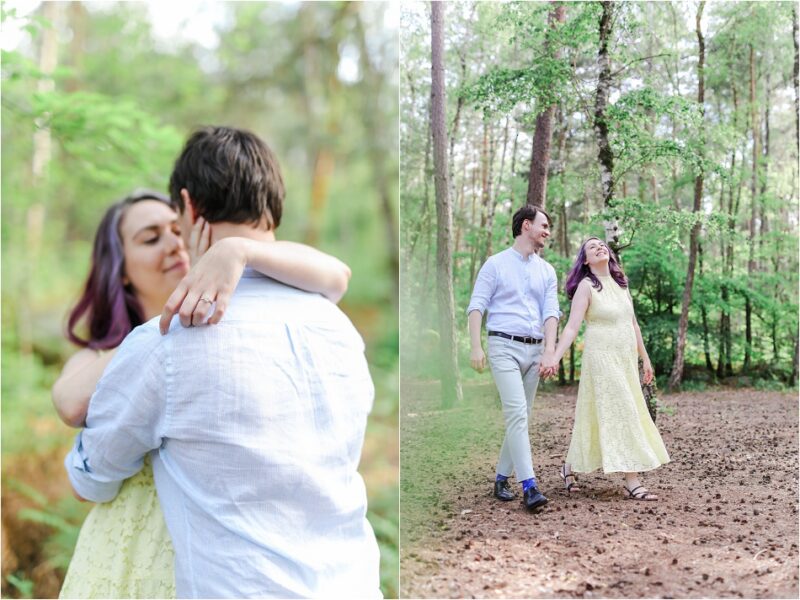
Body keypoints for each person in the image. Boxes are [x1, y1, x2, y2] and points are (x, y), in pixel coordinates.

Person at [63, 126, 381, 598]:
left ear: (189, 207)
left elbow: (90, 479)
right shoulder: (339, 329)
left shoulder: (168, 344)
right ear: (273, 203)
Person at [540, 237, 670, 501]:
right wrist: (553, 356)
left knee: (595, 415)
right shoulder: (586, 287)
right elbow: (572, 328)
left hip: (624, 359)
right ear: (585, 261)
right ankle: (631, 480)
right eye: (592, 247)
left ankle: (569, 467)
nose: (600, 247)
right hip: (601, 358)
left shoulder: (622, 285)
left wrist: (645, 358)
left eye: (602, 244)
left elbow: (633, 325)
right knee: (623, 411)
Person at [467, 204, 560, 511]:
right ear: (525, 227)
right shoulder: (495, 265)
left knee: (521, 415)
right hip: (502, 346)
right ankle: (530, 486)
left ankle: (500, 477)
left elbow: (551, 313)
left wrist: (549, 351)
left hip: (535, 350)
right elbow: (477, 306)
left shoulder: (547, 271)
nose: (547, 231)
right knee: (517, 412)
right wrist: (476, 346)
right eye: (543, 225)